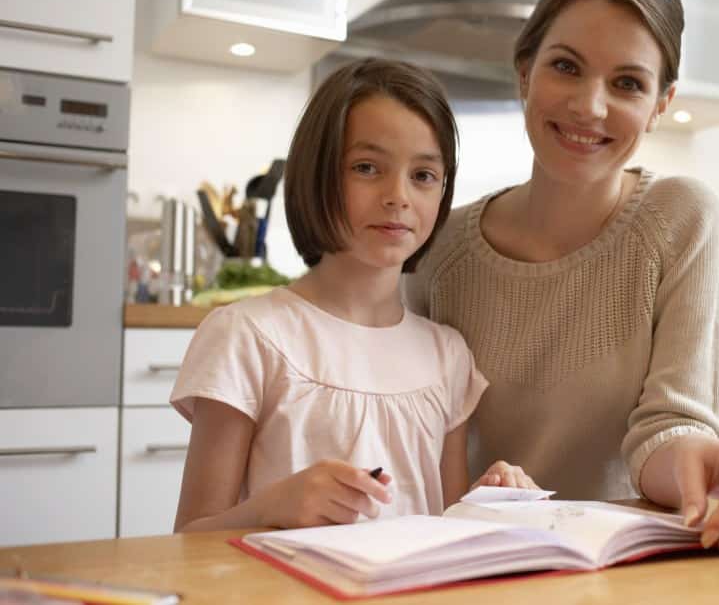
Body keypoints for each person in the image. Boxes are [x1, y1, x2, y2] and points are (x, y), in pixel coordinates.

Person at [404, 0, 719, 554]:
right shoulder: (439, 247)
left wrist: (712, 462)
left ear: (659, 107)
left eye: (627, 83)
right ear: (524, 72)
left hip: (622, 569)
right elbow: (411, 437)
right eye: (566, 66)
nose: (590, 106)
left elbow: (671, 425)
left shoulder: (683, 218)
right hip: (467, 561)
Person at [171, 58, 534, 533]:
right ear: (318, 173)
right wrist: (270, 508)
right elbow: (188, 540)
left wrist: (492, 501)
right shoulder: (246, 336)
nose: (397, 196)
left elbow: (446, 525)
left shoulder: (448, 356)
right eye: (367, 168)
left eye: (422, 175)